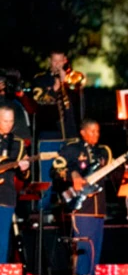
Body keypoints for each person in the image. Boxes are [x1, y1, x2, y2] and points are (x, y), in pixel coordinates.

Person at [53, 119, 115, 275]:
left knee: (96, 247)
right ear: (83, 132)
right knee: (83, 247)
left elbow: (112, 173)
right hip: (81, 206)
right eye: (92, 131)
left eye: (98, 131)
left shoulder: (103, 151)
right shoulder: (72, 148)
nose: (96, 135)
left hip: (99, 207)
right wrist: (72, 175)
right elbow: (56, 170)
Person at [31, 51, 83, 211]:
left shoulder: (72, 78)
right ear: (49, 61)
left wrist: (67, 83)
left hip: (70, 136)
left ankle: (71, 208)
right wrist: (55, 88)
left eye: (61, 61)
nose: (58, 64)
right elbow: (38, 102)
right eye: (55, 61)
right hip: (49, 136)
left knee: (70, 174)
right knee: (47, 176)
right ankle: (43, 211)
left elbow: (78, 102)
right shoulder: (40, 79)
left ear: (65, 61)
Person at [0, 105, 31, 263]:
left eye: (11, 121)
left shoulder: (18, 144)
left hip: (5, 195)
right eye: (5, 121)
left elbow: (24, 175)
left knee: (2, 238)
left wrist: (24, 169)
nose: (9, 125)